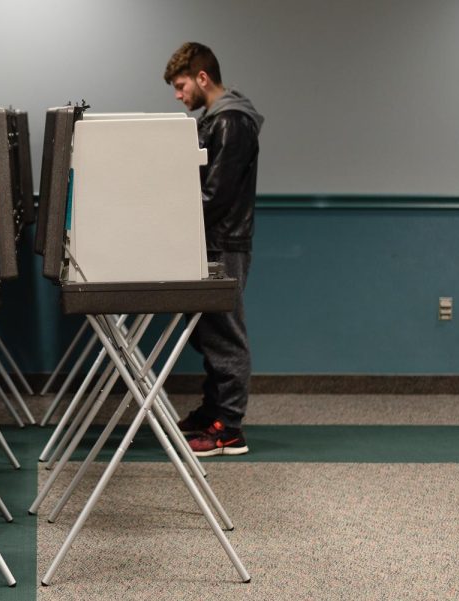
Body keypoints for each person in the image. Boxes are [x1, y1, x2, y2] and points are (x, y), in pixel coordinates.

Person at [163, 43, 264, 457]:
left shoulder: (232, 122)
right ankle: (213, 410)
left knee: (224, 331)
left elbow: (215, 195)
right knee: (208, 329)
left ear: (202, 78)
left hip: (223, 243)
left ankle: (230, 427)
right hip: (212, 239)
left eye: (181, 85)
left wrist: (169, 225)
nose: (178, 94)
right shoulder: (216, 121)